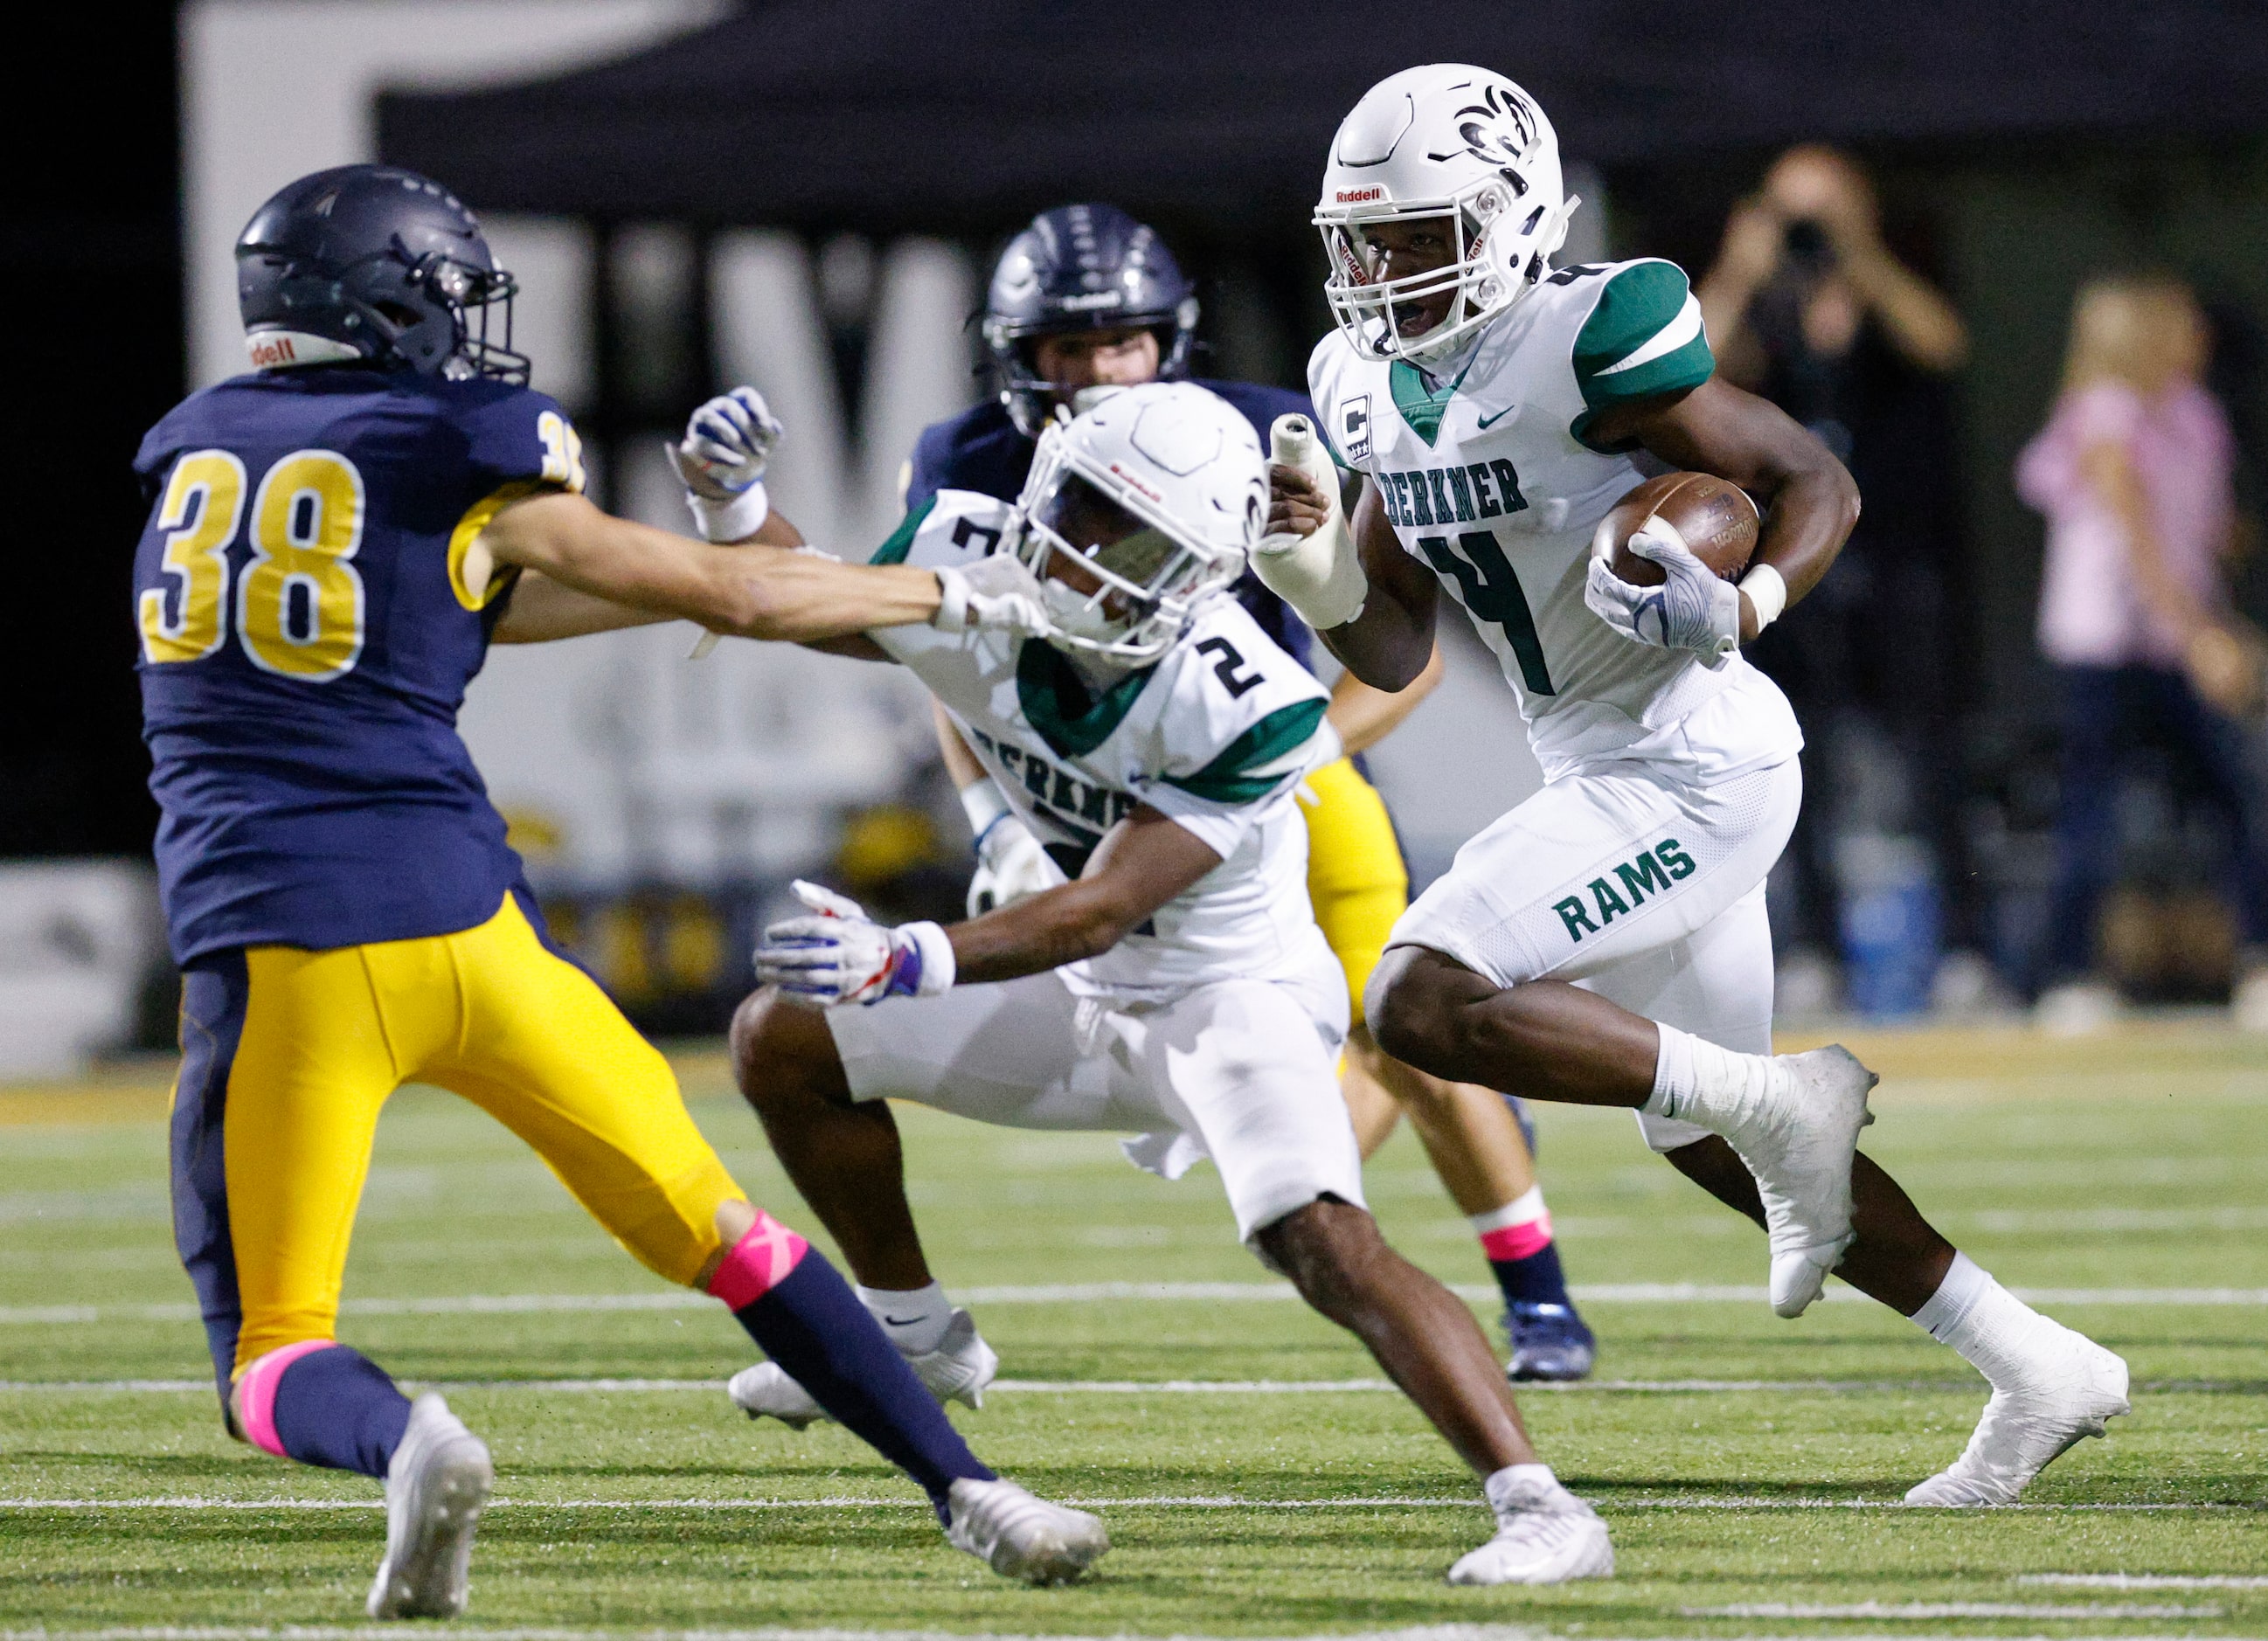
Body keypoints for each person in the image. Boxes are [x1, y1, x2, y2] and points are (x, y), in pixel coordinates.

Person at [135, 164, 1106, 1617]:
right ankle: (973, 1488)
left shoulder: (197, 443)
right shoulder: (444, 433)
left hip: (286, 951)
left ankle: (410, 1441)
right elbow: (744, 598)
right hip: (473, 934)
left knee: (271, 1356)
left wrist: (709, 564)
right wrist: (970, 591)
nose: (466, 329)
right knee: (734, 1237)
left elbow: (483, 594)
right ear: (383, 299)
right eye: (447, 297)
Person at [1263, 63, 2130, 1506]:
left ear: (1512, 211)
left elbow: (1810, 483)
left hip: (1690, 760)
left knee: (1415, 992)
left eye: (1416, 235)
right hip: (1607, 764)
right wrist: (1308, 573)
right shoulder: (1368, 381)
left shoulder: (1588, 334)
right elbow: (1394, 632)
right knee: (1710, 1144)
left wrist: (1746, 600)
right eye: (1362, 239)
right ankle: (2040, 1363)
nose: (1382, 271)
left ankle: (1781, 1101)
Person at [719, 381, 1614, 1585]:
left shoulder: (1244, 695)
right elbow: (814, 603)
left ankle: (1541, 1503)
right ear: (1041, 492)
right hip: (1073, 994)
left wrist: (906, 955)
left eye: (1136, 539)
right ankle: (912, 1330)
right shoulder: (966, 548)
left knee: (1321, 1243)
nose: (1093, 560)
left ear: (1204, 569)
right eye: (1085, 515)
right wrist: (734, 507)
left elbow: (1101, 903)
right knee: (784, 1036)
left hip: (1223, 998)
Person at [905, 202, 1595, 1380]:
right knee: (1271, 1110)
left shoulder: (1268, 429)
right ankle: (1326, 1184)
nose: (1095, 371)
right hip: (1100, 800)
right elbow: (935, 648)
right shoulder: (968, 458)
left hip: (1263, 770)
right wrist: (989, 822)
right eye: (1067, 349)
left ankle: (1537, 1296)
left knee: (1412, 1023)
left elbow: (1405, 650)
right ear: (1017, 354)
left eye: (1119, 343)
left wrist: (1302, 751)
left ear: (1167, 340)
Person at [1695, 146, 1974, 1009]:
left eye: (1824, 209)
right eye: (1793, 211)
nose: (1809, 229)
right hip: (1793, 563)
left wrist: (1860, 253)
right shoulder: (1765, 301)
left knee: (1931, 752)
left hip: (1899, 555)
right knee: (1792, 750)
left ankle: (1965, 948)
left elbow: (1944, 345)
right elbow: (1691, 366)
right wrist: (1744, 266)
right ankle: (1814, 941)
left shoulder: (1890, 280)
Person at [2016, 274, 2268, 1031]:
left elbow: (2202, 533)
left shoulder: (2193, 413)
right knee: (2090, 810)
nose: (2199, 339)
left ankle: (2257, 959)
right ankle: (2067, 975)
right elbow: (2139, 542)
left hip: (2177, 637)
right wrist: (2202, 638)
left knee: (2233, 799)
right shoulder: (2105, 413)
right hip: (2107, 646)